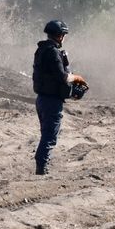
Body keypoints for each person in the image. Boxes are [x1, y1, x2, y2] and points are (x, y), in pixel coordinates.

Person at [32, 20, 86, 175]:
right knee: (49, 137)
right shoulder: (53, 52)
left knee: (46, 134)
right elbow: (62, 77)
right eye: (64, 35)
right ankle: (42, 169)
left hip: (42, 99)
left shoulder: (41, 50)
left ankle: (41, 166)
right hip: (51, 101)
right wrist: (78, 78)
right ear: (60, 35)